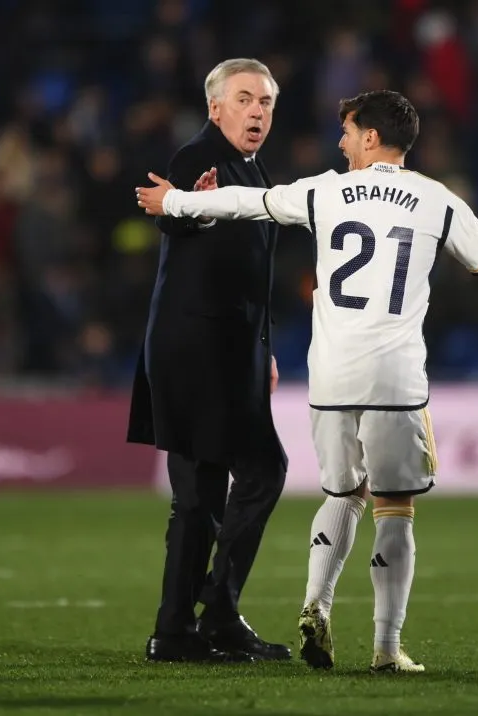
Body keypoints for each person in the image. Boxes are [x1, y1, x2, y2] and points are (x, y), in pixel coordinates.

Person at [137, 90, 478, 673]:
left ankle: (313, 605)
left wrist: (173, 202)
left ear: (371, 137)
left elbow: (250, 202)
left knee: (341, 493)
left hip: (331, 374)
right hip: (396, 378)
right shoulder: (436, 199)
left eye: (348, 130)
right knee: (394, 505)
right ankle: (384, 647)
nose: (342, 140)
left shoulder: (326, 190)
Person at [128, 58, 291, 664]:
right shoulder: (196, 160)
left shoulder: (250, 167)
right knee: (221, 485)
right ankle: (192, 622)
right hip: (194, 350)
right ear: (215, 107)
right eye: (245, 99)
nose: (258, 111)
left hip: (232, 350)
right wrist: (186, 208)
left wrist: (263, 348)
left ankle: (203, 618)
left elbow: (248, 270)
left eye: (267, 101)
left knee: (223, 487)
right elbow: (175, 214)